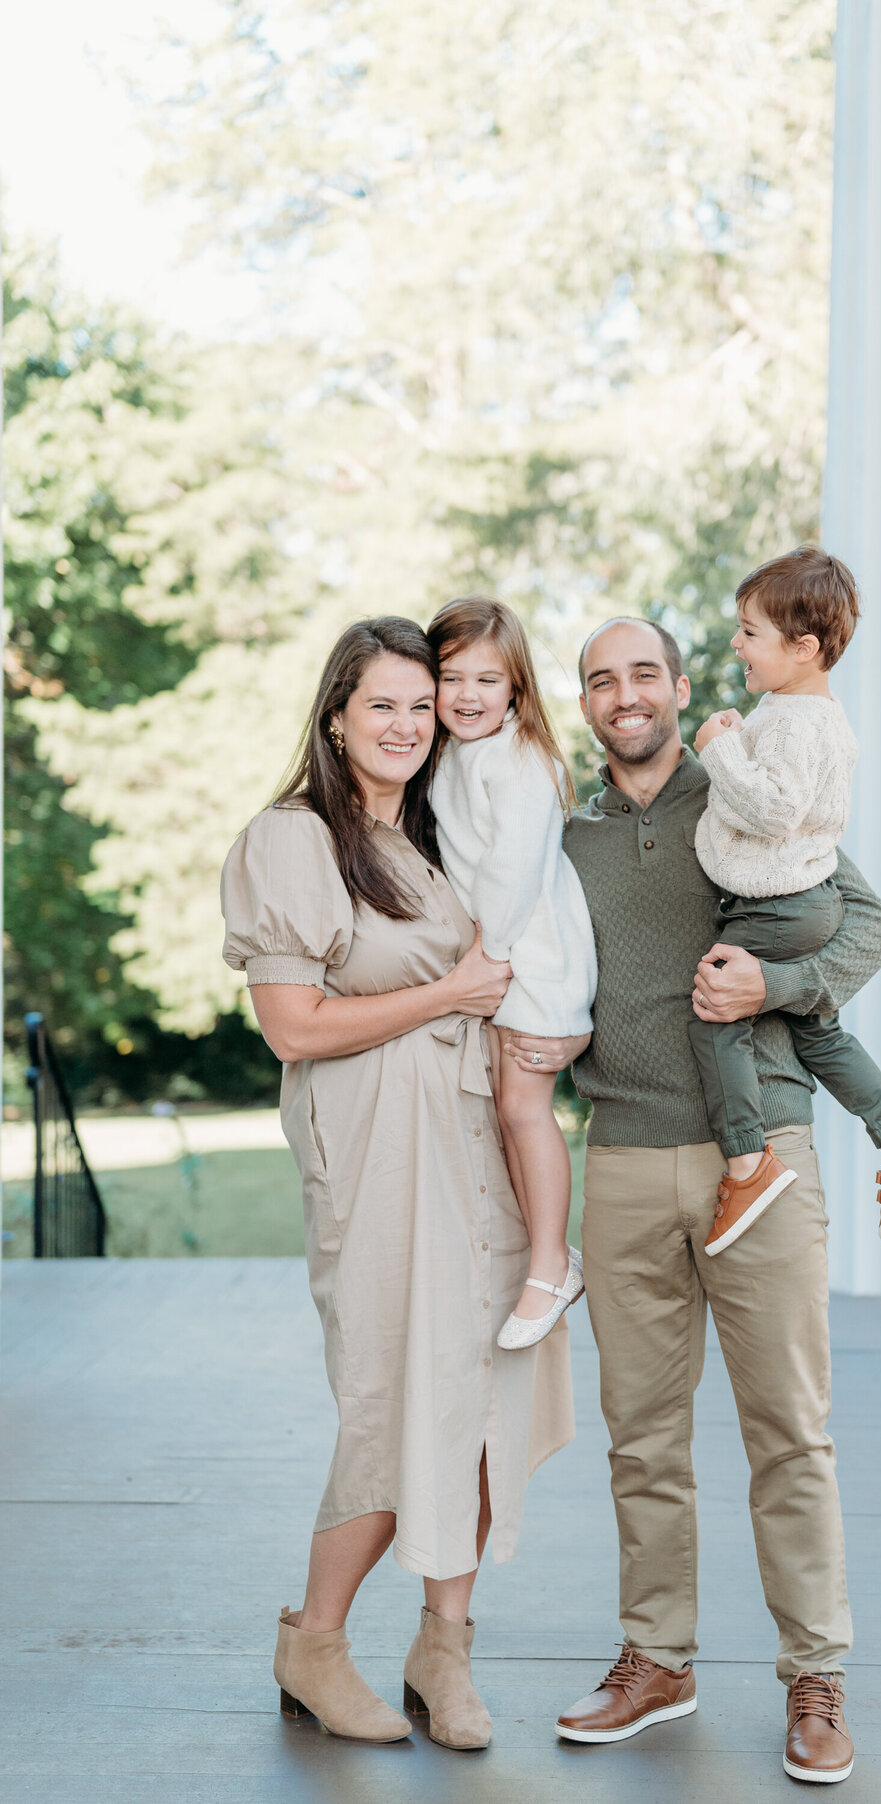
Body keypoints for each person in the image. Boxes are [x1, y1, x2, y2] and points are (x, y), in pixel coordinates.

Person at [501, 617, 881, 1785]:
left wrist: (776, 981)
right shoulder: (562, 838)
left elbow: (869, 925)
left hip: (758, 1155)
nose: (622, 694)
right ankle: (655, 1658)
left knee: (789, 1430)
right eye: (598, 680)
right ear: (584, 705)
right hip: (620, 1156)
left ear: (680, 688)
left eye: (642, 673)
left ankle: (815, 1674)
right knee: (644, 1439)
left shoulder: (745, 796)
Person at [220, 616, 573, 1754]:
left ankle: (444, 1647)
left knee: (478, 1400)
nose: (410, 724)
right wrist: (448, 992)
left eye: (423, 706)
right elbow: (294, 1025)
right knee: (385, 1404)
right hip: (374, 1153)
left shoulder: (434, 832)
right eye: (384, 704)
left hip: (474, 1144)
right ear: (334, 714)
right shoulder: (294, 840)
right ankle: (314, 1640)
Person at [689, 547, 881, 1254]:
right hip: (801, 901)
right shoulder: (798, 710)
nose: (737, 643)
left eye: (749, 631)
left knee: (716, 1013)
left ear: (803, 648)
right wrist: (745, 740)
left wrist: (717, 748)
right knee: (818, 1031)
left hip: (775, 906)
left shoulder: (801, 720)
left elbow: (773, 808)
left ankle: (747, 1162)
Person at [428, 595, 596, 1349]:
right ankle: (547, 1256)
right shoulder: (454, 757)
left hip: (531, 953)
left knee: (526, 1108)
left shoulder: (521, 758)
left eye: (486, 681)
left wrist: (484, 958)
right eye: (450, 676)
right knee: (506, 1108)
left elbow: (514, 869)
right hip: (501, 957)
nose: (466, 695)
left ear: (517, 692)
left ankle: (551, 1265)